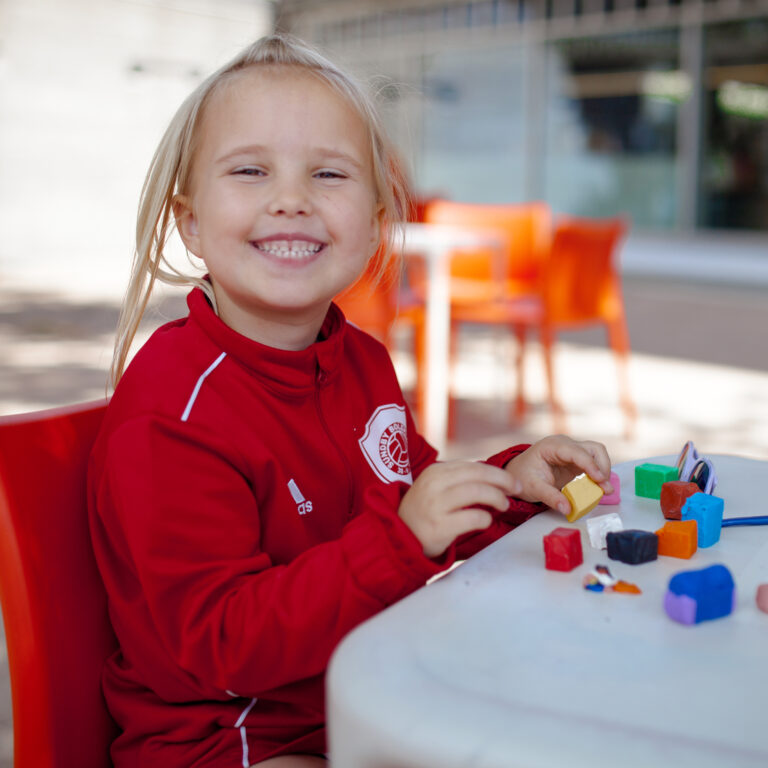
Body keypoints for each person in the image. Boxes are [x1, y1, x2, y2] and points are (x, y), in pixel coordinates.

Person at [87, 33, 612, 768]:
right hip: (233, 736)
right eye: (250, 170)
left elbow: (413, 509)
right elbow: (222, 645)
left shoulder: (360, 358)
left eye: (329, 174)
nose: (292, 199)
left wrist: (512, 481)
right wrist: (404, 538)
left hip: (366, 684)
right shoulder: (173, 407)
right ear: (191, 223)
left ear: (373, 221)